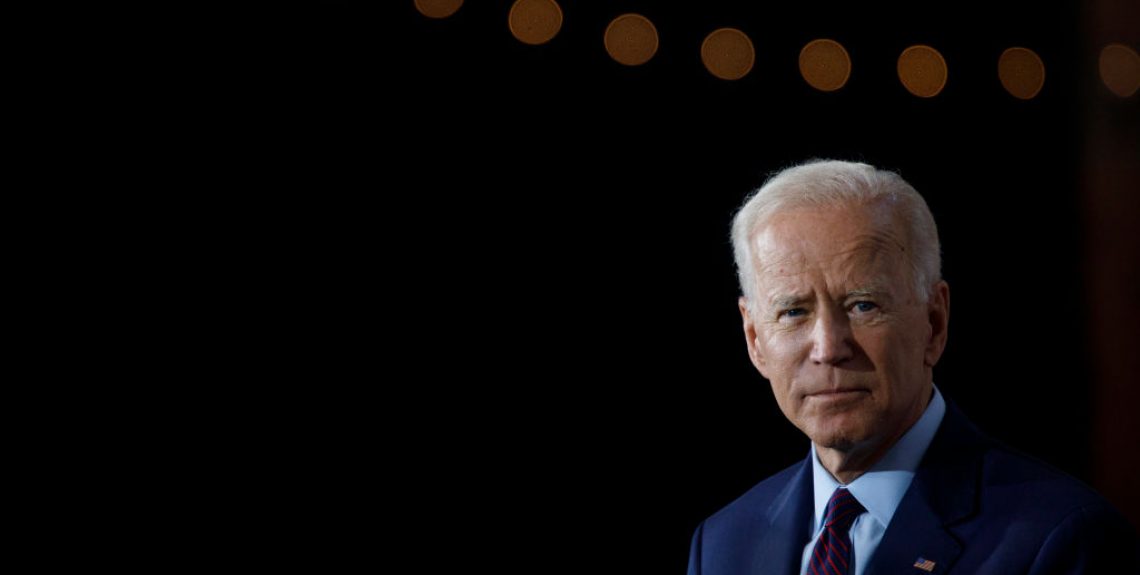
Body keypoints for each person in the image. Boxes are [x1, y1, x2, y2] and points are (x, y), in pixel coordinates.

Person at [686, 160, 1138, 574]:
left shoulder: (1059, 540)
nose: (827, 348)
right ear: (754, 340)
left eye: (863, 305)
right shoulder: (723, 545)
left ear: (934, 322)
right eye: (793, 312)